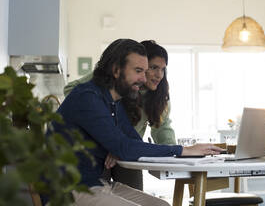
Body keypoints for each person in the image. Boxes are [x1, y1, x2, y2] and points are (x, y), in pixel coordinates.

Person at [49, 39, 222, 206]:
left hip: (97, 183)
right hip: (67, 188)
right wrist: (184, 150)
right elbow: (125, 146)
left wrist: (182, 151)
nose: (144, 79)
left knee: (161, 205)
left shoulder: (115, 103)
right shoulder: (88, 97)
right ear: (116, 70)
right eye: (138, 71)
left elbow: (133, 143)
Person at [64, 40, 176, 190]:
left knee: (135, 194)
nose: (159, 75)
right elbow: (72, 90)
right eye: (153, 67)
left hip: (126, 152)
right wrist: (112, 141)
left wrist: (173, 152)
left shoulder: (158, 97)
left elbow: (162, 128)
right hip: (99, 148)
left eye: (163, 69)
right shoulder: (116, 82)